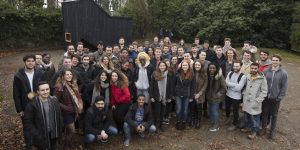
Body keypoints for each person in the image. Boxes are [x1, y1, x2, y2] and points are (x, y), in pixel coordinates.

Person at [13, 54, 44, 150]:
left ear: (35, 62)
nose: (30, 63)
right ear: (25, 62)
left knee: (38, 124)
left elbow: (44, 87)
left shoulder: (40, 73)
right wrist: (19, 109)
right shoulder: (18, 76)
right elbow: (16, 94)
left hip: (38, 103)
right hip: (25, 105)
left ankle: (37, 143)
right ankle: (29, 146)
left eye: (32, 61)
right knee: (27, 127)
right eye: (28, 61)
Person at [24, 81, 63, 150]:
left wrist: (60, 128)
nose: (45, 92)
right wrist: (36, 135)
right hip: (41, 135)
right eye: (42, 90)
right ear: (38, 92)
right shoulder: (32, 105)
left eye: (47, 89)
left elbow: (59, 116)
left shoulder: (54, 100)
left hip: (54, 133)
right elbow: (28, 123)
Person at [53, 69, 83, 149]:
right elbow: (55, 101)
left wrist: (79, 105)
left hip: (73, 111)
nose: (69, 76)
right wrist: (67, 108)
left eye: (70, 74)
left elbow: (77, 96)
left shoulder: (72, 84)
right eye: (67, 74)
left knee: (68, 130)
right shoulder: (59, 86)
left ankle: (68, 144)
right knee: (72, 130)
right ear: (63, 76)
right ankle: (66, 146)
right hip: (65, 113)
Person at [261, 55, 288, 139]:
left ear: (279, 61)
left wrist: (279, 97)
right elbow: (262, 83)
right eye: (273, 60)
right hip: (266, 97)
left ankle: (272, 131)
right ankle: (264, 128)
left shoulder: (283, 73)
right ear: (271, 61)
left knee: (274, 115)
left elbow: (284, 87)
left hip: (275, 98)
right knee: (265, 113)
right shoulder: (266, 71)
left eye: (276, 60)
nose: (274, 61)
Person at [241, 63, 267, 139]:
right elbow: (246, 88)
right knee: (247, 116)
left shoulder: (262, 79)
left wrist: (257, 101)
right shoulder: (248, 76)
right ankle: (248, 127)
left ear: (258, 69)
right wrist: (243, 99)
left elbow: (264, 91)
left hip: (255, 102)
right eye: (252, 68)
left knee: (255, 118)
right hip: (247, 101)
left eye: (255, 68)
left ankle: (254, 131)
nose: (253, 70)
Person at [149, 62, 173, 131]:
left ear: (166, 66)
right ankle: (156, 125)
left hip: (165, 97)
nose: (162, 67)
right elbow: (151, 86)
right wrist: (151, 96)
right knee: (157, 112)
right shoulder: (155, 74)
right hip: (157, 96)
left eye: (163, 66)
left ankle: (161, 125)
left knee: (163, 112)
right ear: (158, 66)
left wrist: (170, 97)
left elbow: (170, 87)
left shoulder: (169, 75)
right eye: (161, 66)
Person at [225, 60, 247, 131]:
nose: (235, 67)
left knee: (235, 111)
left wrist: (230, 85)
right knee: (227, 108)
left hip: (236, 97)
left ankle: (234, 124)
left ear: (240, 66)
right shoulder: (230, 73)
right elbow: (226, 83)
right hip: (228, 95)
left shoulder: (243, 76)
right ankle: (228, 118)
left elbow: (239, 88)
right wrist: (235, 85)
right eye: (234, 66)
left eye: (237, 66)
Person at [174, 61, 195, 130]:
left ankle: (183, 121)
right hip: (178, 94)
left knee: (185, 110)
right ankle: (178, 121)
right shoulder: (177, 73)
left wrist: (192, 96)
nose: (184, 67)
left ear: (188, 66)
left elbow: (192, 86)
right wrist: (173, 94)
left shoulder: (192, 74)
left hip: (187, 94)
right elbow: (174, 84)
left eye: (186, 65)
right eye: (183, 65)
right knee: (178, 109)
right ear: (181, 66)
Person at [205, 63, 226, 132]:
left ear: (216, 69)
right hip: (209, 97)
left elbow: (224, 88)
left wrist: (218, 95)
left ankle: (215, 125)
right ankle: (212, 122)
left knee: (214, 111)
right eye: (210, 68)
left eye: (213, 68)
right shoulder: (207, 75)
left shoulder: (219, 76)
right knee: (210, 110)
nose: (212, 69)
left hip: (216, 98)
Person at [191, 60, 207, 129]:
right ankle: (193, 120)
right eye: (196, 65)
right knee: (193, 108)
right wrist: (193, 93)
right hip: (192, 94)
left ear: (201, 66)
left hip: (200, 95)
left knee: (199, 109)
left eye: (198, 65)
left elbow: (205, 85)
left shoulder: (204, 74)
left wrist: (199, 94)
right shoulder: (191, 73)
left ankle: (198, 121)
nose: (197, 66)